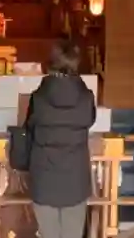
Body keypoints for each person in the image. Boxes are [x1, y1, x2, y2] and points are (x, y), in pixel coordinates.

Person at [26, 41, 98, 238]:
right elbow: (90, 120)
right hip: (76, 179)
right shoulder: (86, 98)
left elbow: (29, 126)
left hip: (44, 178)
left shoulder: (38, 98)